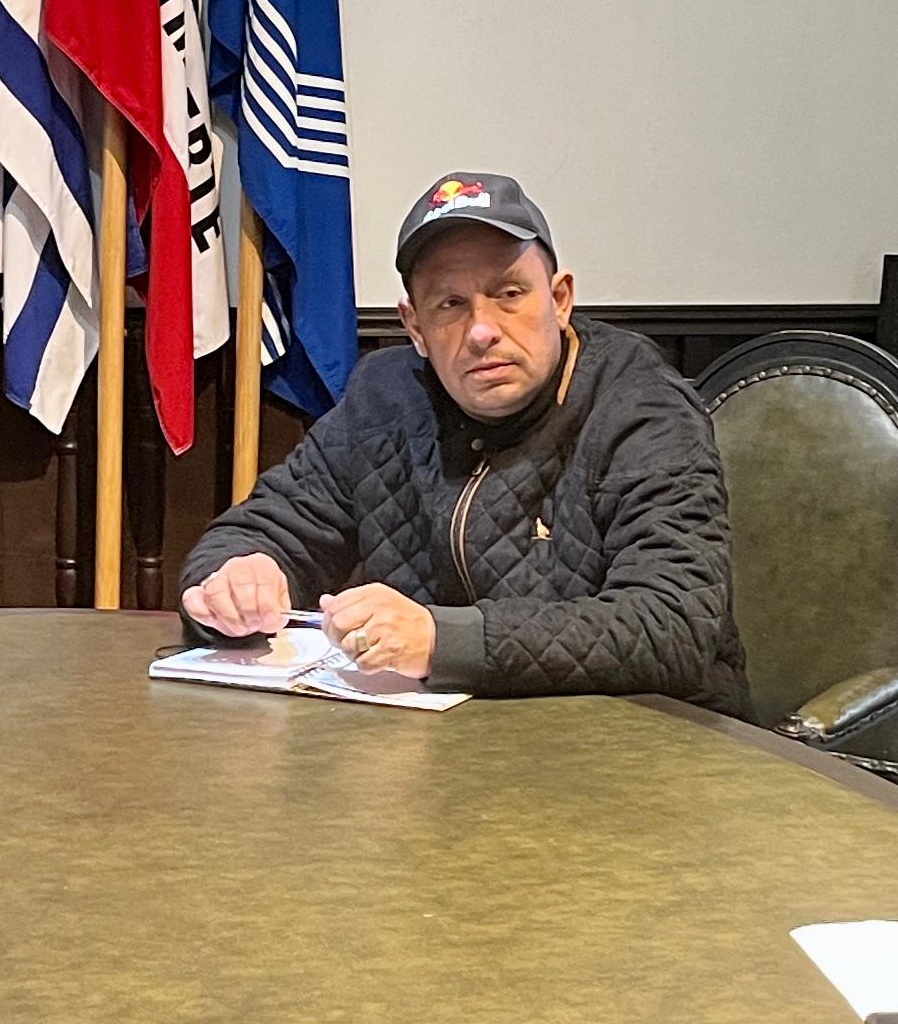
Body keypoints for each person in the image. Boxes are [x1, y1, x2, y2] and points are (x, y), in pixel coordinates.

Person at [177, 171, 745, 711]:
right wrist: (236, 579)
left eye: (510, 294)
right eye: (450, 305)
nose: (482, 331)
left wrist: (442, 641)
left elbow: (671, 622)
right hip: (447, 741)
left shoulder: (643, 407)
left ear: (560, 300)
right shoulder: (385, 397)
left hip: (655, 740)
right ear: (415, 326)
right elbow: (268, 528)